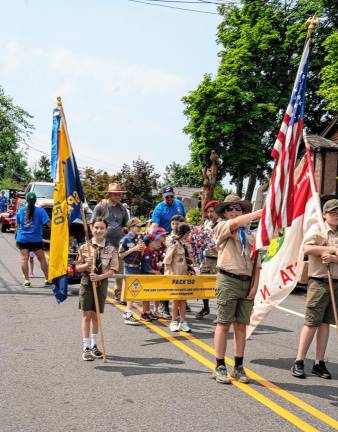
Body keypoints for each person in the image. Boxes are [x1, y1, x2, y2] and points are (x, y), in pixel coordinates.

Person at [212, 195, 262, 384]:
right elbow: (236, 223)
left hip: (247, 282)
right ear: (224, 213)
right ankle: (220, 365)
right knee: (223, 323)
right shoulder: (223, 227)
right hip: (228, 279)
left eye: (238, 209)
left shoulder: (251, 235)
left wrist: (255, 285)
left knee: (241, 326)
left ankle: (239, 366)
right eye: (230, 209)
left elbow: (257, 263)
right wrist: (261, 212)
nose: (234, 212)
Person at [291, 199, 338, 379]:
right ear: (325, 214)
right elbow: (307, 248)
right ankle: (299, 361)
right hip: (319, 281)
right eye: (332, 212)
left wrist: (333, 256)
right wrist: (329, 249)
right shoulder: (318, 230)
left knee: (326, 324)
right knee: (312, 322)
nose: (336, 214)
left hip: (335, 282)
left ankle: (319, 362)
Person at [76, 217, 119, 361]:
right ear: (91, 228)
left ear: (106, 230)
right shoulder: (84, 247)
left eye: (102, 228)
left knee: (96, 316)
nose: (99, 230)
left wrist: (100, 277)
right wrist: (86, 266)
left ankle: (95, 345)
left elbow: (113, 270)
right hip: (87, 283)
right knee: (86, 315)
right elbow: (77, 267)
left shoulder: (111, 249)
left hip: (101, 283)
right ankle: (86, 347)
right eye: (96, 228)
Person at [91, 183, 129, 301]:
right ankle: (98, 292)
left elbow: (125, 225)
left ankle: (119, 294)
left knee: (118, 269)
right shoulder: (101, 206)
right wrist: (95, 238)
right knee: (102, 268)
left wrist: (126, 231)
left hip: (118, 244)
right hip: (103, 244)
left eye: (121, 194)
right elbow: (92, 223)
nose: (119, 196)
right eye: (116, 194)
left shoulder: (122, 208)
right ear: (110, 194)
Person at [163, 223, 194, 333]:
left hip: (185, 276)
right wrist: (170, 275)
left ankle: (183, 321)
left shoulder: (186, 244)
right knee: (176, 299)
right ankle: (173, 321)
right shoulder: (174, 244)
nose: (188, 235)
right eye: (188, 233)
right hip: (176, 276)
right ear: (185, 233)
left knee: (183, 299)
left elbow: (189, 259)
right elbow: (167, 261)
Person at [15, 192, 50, 287]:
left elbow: (17, 225)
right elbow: (48, 224)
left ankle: (26, 280)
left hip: (22, 238)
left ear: (26, 200)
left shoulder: (21, 211)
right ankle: (47, 279)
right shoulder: (41, 211)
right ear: (35, 201)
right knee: (42, 259)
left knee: (23, 259)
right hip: (36, 239)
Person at [194, 200, 220, 319]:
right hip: (206, 258)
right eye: (208, 212)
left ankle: (221, 312)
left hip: (219, 258)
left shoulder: (223, 224)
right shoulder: (207, 224)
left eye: (212, 211)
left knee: (218, 285)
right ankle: (206, 307)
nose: (210, 214)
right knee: (204, 283)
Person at [119, 217, 146, 325]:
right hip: (129, 267)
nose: (140, 228)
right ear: (131, 227)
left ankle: (127, 312)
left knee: (134, 292)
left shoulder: (139, 239)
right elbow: (120, 255)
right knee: (132, 292)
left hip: (137, 267)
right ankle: (128, 313)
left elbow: (141, 255)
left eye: (140, 227)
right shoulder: (125, 239)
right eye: (137, 226)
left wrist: (142, 250)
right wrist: (133, 249)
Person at [140, 233, 162, 321]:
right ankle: (144, 313)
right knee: (146, 296)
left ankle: (148, 312)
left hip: (150, 277)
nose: (158, 243)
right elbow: (147, 268)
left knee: (149, 295)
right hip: (146, 277)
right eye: (156, 241)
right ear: (150, 243)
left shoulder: (153, 251)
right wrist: (157, 272)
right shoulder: (147, 252)